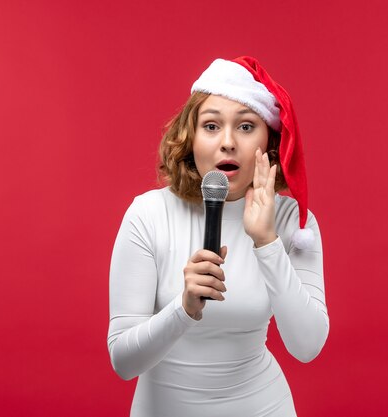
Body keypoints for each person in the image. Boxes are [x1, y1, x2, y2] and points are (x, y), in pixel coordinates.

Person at [107, 56, 329, 416]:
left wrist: (267, 243)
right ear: (191, 138)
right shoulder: (148, 215)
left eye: (245, 127)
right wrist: (183, 308)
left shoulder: (292, 222)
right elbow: (123, 361)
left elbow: (307, 346)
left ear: (268, 142)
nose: (227, 142)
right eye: (211, 126)